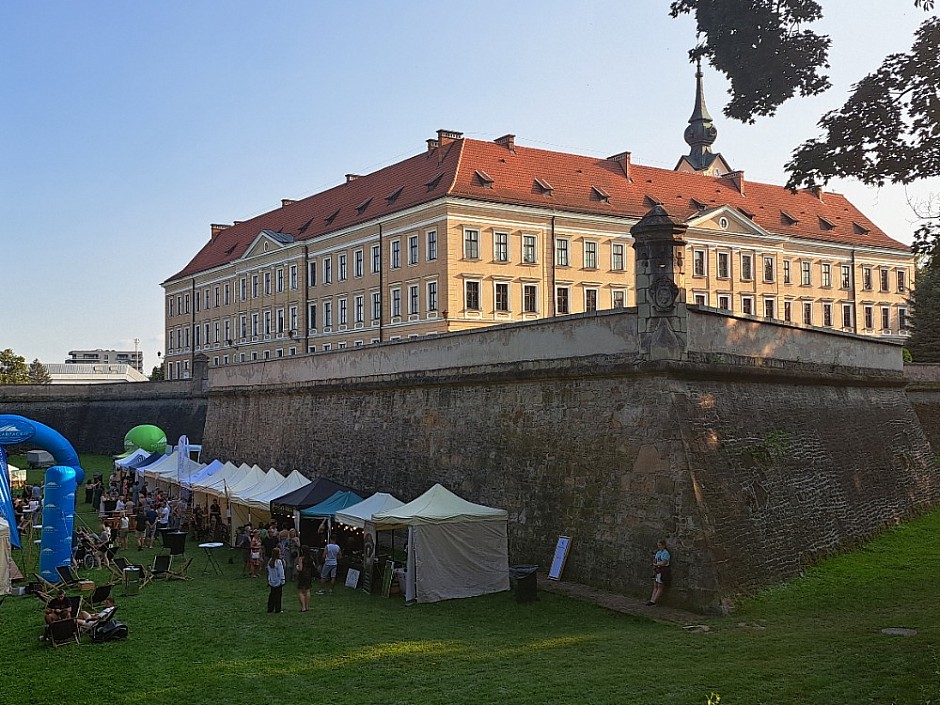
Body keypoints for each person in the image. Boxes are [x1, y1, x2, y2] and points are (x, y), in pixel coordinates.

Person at [647, 539, 671, 606]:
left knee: (660, 586)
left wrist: (656, 564)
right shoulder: (658, 553)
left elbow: (664, 562)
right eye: (658, 545)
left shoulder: (665, 553)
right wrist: (654, 564)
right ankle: (651, 599)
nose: (659, 547)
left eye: (660, 545)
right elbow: (655, 560)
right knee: (655, 585)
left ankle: (654, 601)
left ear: (663, 545)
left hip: (663, 570)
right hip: (657, 570)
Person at [266, 547, 286, 613]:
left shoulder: (270, 561)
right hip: (278, 581)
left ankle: (270, 608)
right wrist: (283, 579)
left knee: (272, 595)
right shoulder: (278, 562)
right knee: (278, 595)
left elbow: (269, 572)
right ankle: (278, 609)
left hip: (272, 580)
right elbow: (281, 572)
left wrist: (269, 580)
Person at [295, 545, 314, 612]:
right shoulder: (310, 558)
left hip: (302, 575)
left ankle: (303, 607)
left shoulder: (301, 558)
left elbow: (300, 569)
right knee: (307, 590)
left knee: (301, 591)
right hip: (308, 575)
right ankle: (307, 606)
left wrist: (297, 567)